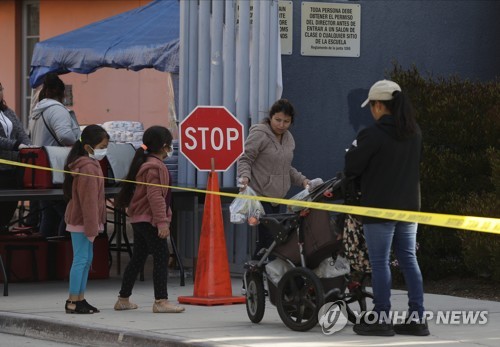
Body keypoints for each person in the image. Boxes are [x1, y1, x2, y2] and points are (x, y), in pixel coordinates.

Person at [345, 80, 429, 336]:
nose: (371, 111)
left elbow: (351, 167)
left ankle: (381, 318)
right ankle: (417, 318)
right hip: (409, 208)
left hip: (379, 208)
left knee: (380, 263)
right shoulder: (414, 133)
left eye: (372, 106)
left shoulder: (372, 134)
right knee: (409, 259)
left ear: (380, 105)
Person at [114, 126, 184, 313]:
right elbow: (155, 197)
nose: (170, 149)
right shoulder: (155, 167)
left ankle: (123, 299)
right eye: (169, 145)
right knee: (161, 258)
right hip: (150, 220)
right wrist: (162, 222)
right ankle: (161, 301)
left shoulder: (145, 162)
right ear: (163, 146)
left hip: (140, 219)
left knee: (138, 259)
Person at [237, 99, 309, 259]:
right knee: (269, 240)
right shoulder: (259, 134)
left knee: (271, 242)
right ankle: (254, 277)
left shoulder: (289, 138)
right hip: (261, 195)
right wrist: (244, 177)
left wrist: (303, 181)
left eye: (286, 121)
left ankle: (259, 277)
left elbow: (286, 167)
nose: (281, 124)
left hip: (279, 197)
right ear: (270, 117)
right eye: (278, 120)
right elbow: (245, 159)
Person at [62, 124, 109, 314]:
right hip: (83, 221)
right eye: (102, 146)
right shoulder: (87, 168)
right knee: (81, 260)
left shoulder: (89, 164)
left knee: (85, 258)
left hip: (85, 221)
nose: (104, 150)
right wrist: (92, 229)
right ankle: (73, 301)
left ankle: (80, 298)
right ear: (89, 147)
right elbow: (89, 201)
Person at [29, 73, 80, 238]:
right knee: (67, 214)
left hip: (41, 172)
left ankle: (47, 259)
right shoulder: (57, 110)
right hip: (56, 170)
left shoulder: (38, 111)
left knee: (49, 215)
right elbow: (66, 136)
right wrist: (77, 139)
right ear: (62, 93)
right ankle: (62, 253)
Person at [0, 82, 32, 231]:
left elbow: (21, 132)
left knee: (10, 205)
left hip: (14, 167)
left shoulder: (8, 112)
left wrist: (29, 146)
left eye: (0, 89)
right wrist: (16, 145)